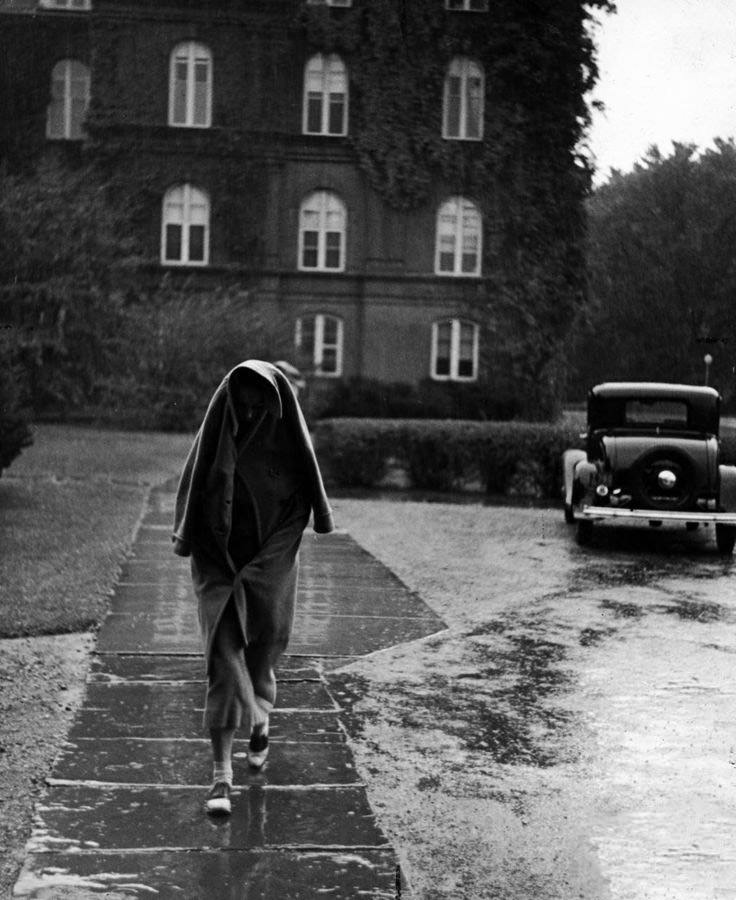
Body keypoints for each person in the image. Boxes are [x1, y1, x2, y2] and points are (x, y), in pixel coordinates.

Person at [172, 360, 334, 815]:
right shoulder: (215, 440)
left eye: (256, 405)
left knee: (260, 661)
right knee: (223, 663)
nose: (247, 413)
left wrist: (261, 574)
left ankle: (260, 720)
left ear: (274, 403)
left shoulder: (290, 452)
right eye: (239, 404)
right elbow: (194, 505)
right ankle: (220, 779)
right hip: (218, 566)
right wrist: (211, 561)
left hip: (271, 568)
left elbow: (294, 525)